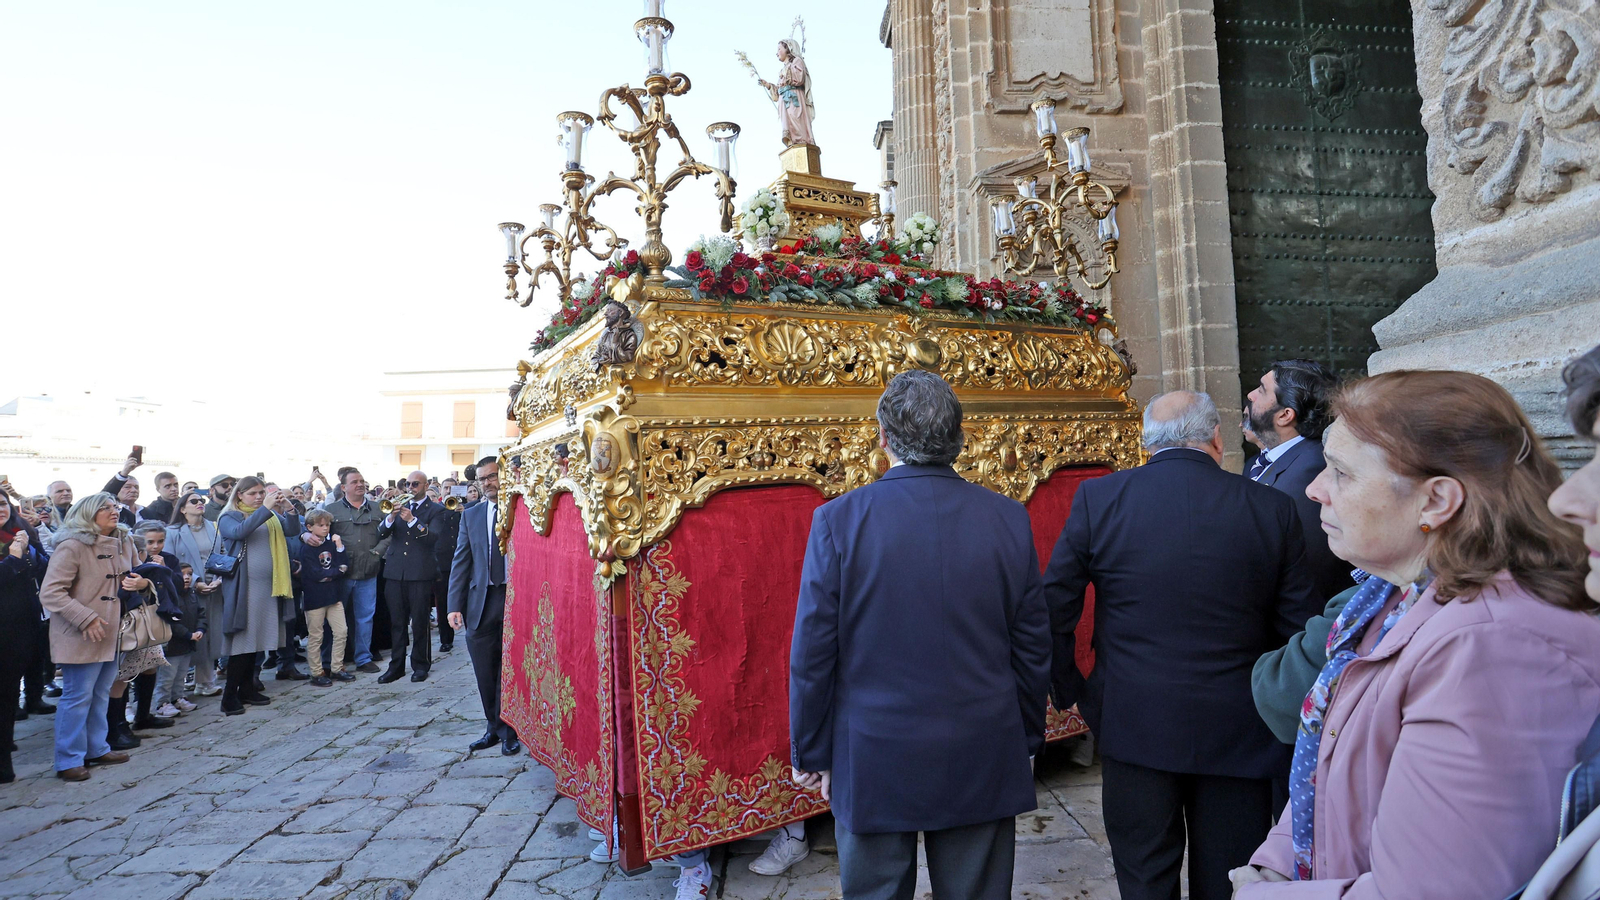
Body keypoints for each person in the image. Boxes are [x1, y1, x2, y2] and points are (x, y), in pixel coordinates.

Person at [1227, 370, 1600, 898]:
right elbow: (1335, 761)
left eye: (1341, 473)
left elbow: (1433, 889)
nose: (1314, 489)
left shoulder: (1490, 644)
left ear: (1435, 502)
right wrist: (1278, 862)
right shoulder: (1394, 595)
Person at [1044, 390, 1323, 900]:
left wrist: (1074, 688)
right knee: (1229, 876)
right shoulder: (1270, 508)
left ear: (1146, 443)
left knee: (1144, 874)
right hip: (1241, 724)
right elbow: (1297, 628)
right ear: (1216, 437)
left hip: (1134, 718)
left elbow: (1055, 603)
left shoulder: (1102, 499)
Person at [789, 370, 1050, 900]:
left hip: (873, 749)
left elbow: (814, 651)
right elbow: (1031, 644)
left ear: (882, 437)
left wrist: (812, 752)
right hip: (982, 741)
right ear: (958, 438)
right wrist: (1024, 735)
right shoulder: (1006, 517)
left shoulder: (839, 521)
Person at [38, 493, 142, 781]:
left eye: (114, 506)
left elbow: (130, 577)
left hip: (110, 631)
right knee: (77, 695)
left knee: (100, 692)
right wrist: (85, 618)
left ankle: (97, 747)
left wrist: (139, 582)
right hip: (79, 632)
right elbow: (50, 592)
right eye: (105, 508)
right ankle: (68, 759)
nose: (113, 511)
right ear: (87, 514)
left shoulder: (119, 542)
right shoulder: (72, 546)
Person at [1244, 360, 1352, 602]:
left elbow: (1310, 566)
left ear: (1285, 415)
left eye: (1262, 390)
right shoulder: (1277, 459)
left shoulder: (1310, 468)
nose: (1250, 395)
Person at [447, 456, 520, 755]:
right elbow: (461, 560)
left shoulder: (522, 509)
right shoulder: (471, 515)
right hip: (481, 601)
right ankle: (493, 727)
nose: (488, 483)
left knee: (511, 667)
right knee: (484, 670)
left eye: (492, 476)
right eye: (482, 479)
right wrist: (454, 604)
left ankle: (512, 730)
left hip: (515, 598)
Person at [216, 477, 302, 716]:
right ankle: (229, 696)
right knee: (243, 643)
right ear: (239, 495)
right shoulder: (229, 516)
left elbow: (293, 530)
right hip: (245, 587)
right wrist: (266, 507)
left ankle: (247, 689)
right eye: (253, 493)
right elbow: (240, 532)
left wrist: (288, 508)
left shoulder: (270, 515)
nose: (258, 497)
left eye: (261, 492)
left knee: (256, 643)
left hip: (267, 586)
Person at [0, 493, 49, 783]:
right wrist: (14, 560)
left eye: (3, 504)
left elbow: (45, 566)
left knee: (7, 695)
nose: (0, 510)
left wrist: (27, 549)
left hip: (20, 625)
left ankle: (4, 757)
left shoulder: (19, 534)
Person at [376, 470, 441, 684]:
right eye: (408, 484)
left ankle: (421, 665)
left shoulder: (435, 510)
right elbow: (380, 533)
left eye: (415, 484)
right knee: (397, 622)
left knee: (420, 622)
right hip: (395, 572)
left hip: (419, 573)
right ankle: (396, 666)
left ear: (424, 486)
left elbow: (432, 539)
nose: (410, 488)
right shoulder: (398, 506)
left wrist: (413, 520)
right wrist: (391, 516)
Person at [325, 468, 386, 673]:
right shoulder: (332, 510)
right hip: (341, 573)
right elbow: (319, 533)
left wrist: (378, 552)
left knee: (365, 617)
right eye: (354, 482)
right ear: (343, 487)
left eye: (362, 481)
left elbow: (390, 533)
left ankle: (363, 658)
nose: (360, 484)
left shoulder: (378, 508)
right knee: (335, 619)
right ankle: (334, 661)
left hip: (368, 571)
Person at [166, 490, 224, 696]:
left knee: (210, 634)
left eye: (202, 500)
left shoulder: (212, 527)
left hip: (214, 586)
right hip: (186, 589)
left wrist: (219, 578)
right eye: (194, 501)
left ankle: (206, 681)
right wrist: (195, 582)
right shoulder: (173, 532)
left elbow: (221, 554)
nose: (200, 503)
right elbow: (170, 562)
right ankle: (177, 688)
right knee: (191, 635)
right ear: (182, 508)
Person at [295, 508, 353, 687]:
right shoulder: (306, 549)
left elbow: (344, 565)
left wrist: (340, 547)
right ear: (309, 527)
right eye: (321, 525)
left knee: (341, 631)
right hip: (315, 598)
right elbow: (315, 573)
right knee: (316, 636)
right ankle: (316, 671)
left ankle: (337, 667)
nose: (325, 528)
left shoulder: (330, 545)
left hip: (333, 596)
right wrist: (336, 572)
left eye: (327, 525)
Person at [153, 563, 206, 718]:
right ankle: (162, 703)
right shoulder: (168, 596)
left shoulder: (192, 594)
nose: (187, 577)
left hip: (187, 644)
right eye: (182, 574)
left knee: (181, 674)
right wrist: (188, 634)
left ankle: (178, 698)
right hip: (173, 646)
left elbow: (201, 614)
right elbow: (171, 621)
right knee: (167, 676)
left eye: (190, 574)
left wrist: (200, 630)